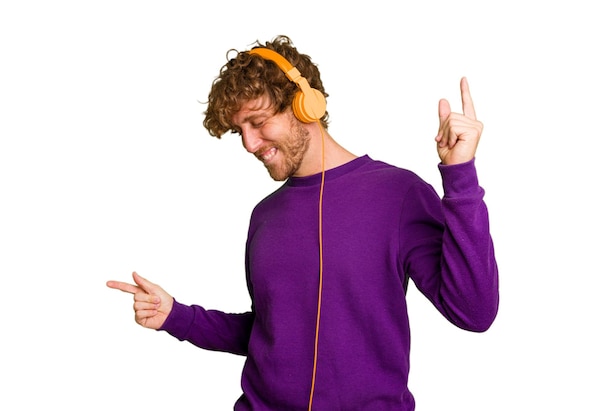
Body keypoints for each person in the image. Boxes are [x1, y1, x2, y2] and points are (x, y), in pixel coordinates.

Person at [106, 35, 499, 410]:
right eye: (238, 131)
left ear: (304, 104)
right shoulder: (265, 216)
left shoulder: (399, 194)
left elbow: (474, 312)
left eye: (258, 122)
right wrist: (176, 316)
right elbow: (269, 333)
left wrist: (460, 177)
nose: (249, 143)